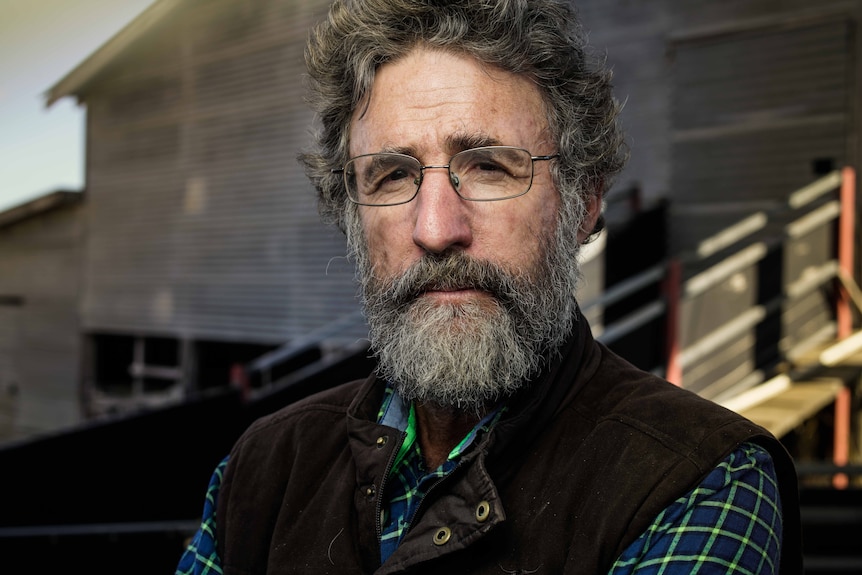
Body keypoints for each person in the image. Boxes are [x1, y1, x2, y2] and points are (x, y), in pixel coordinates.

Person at [177, 0, 802, 573]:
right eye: (392, 176)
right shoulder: (261, 471)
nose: (435, 228)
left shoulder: (699, 481)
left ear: (582, 201)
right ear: (352, 213)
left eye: (489, 167)